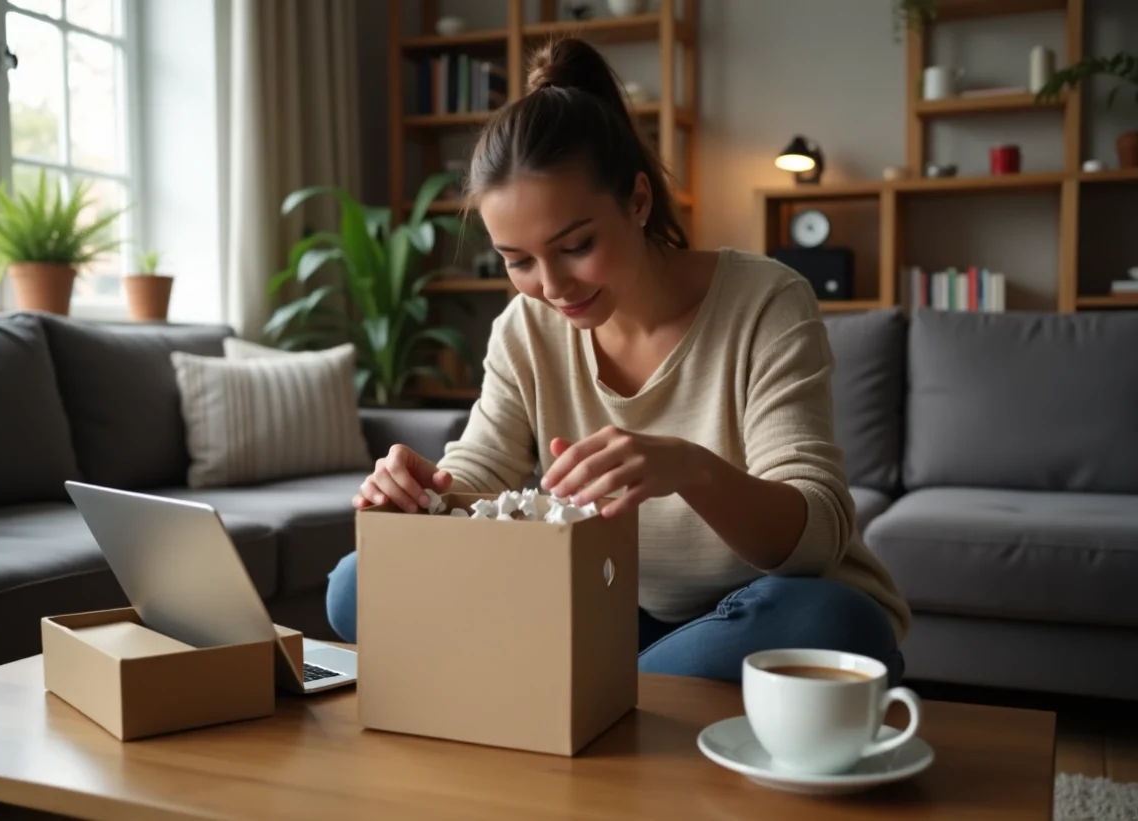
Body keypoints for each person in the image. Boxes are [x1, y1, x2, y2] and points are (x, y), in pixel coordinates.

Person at [326, 37, 910, 685]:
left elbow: (818, 530)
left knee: (833, 626)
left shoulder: (767, 302)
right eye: (517, 260)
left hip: (757, 606)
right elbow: (478, 474)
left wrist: (689, 467)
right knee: (358, 582)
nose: (551, 287)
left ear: (637, 200)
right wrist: (418, 501)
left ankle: (585, 691)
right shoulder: (525, 327)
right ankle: (623, 695)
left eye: (575, 245)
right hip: (606, 606)